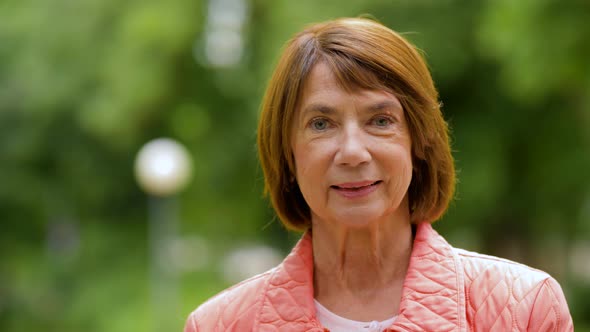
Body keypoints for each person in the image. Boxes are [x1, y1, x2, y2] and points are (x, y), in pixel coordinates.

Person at [184, 17, 573, 331]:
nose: (353, 152)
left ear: (419, 142)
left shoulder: (525, 310)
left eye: (380, 120)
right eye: (321, 124)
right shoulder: (220, 325)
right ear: (287, 153)